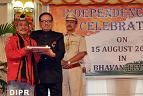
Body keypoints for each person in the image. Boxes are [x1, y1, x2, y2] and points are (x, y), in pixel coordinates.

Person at [30, 12, 65, 96]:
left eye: (49, 21)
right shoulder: (33, 35)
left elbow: (61, 53)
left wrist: (52, 54)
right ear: (40, 23)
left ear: (52, 23)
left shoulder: (58, 36)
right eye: (43, 21)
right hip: (39, 73)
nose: (46, 23)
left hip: (55, 74)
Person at [5, 14, 40, 96]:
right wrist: (25, 50)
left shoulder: (33, 42)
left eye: (26, 25)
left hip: (30, 80)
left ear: (29, 27)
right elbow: (10, 55)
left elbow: (36, 60)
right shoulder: (11, 40)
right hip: (15, 79)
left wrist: (38, 53)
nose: (23, 27)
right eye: (20, 25)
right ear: (16, 28)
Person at [61, 12, 87, 96]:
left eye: (72, 22)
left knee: (76, 93)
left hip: (75, 69)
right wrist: (61, 61)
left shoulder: (80, 38)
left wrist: (68, 62)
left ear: (76, 24)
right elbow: (56, 53)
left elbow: (82, 53)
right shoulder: (60, 38)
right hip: (62, 70)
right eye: (67, 21)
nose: (69, 23)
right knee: (63, 92)